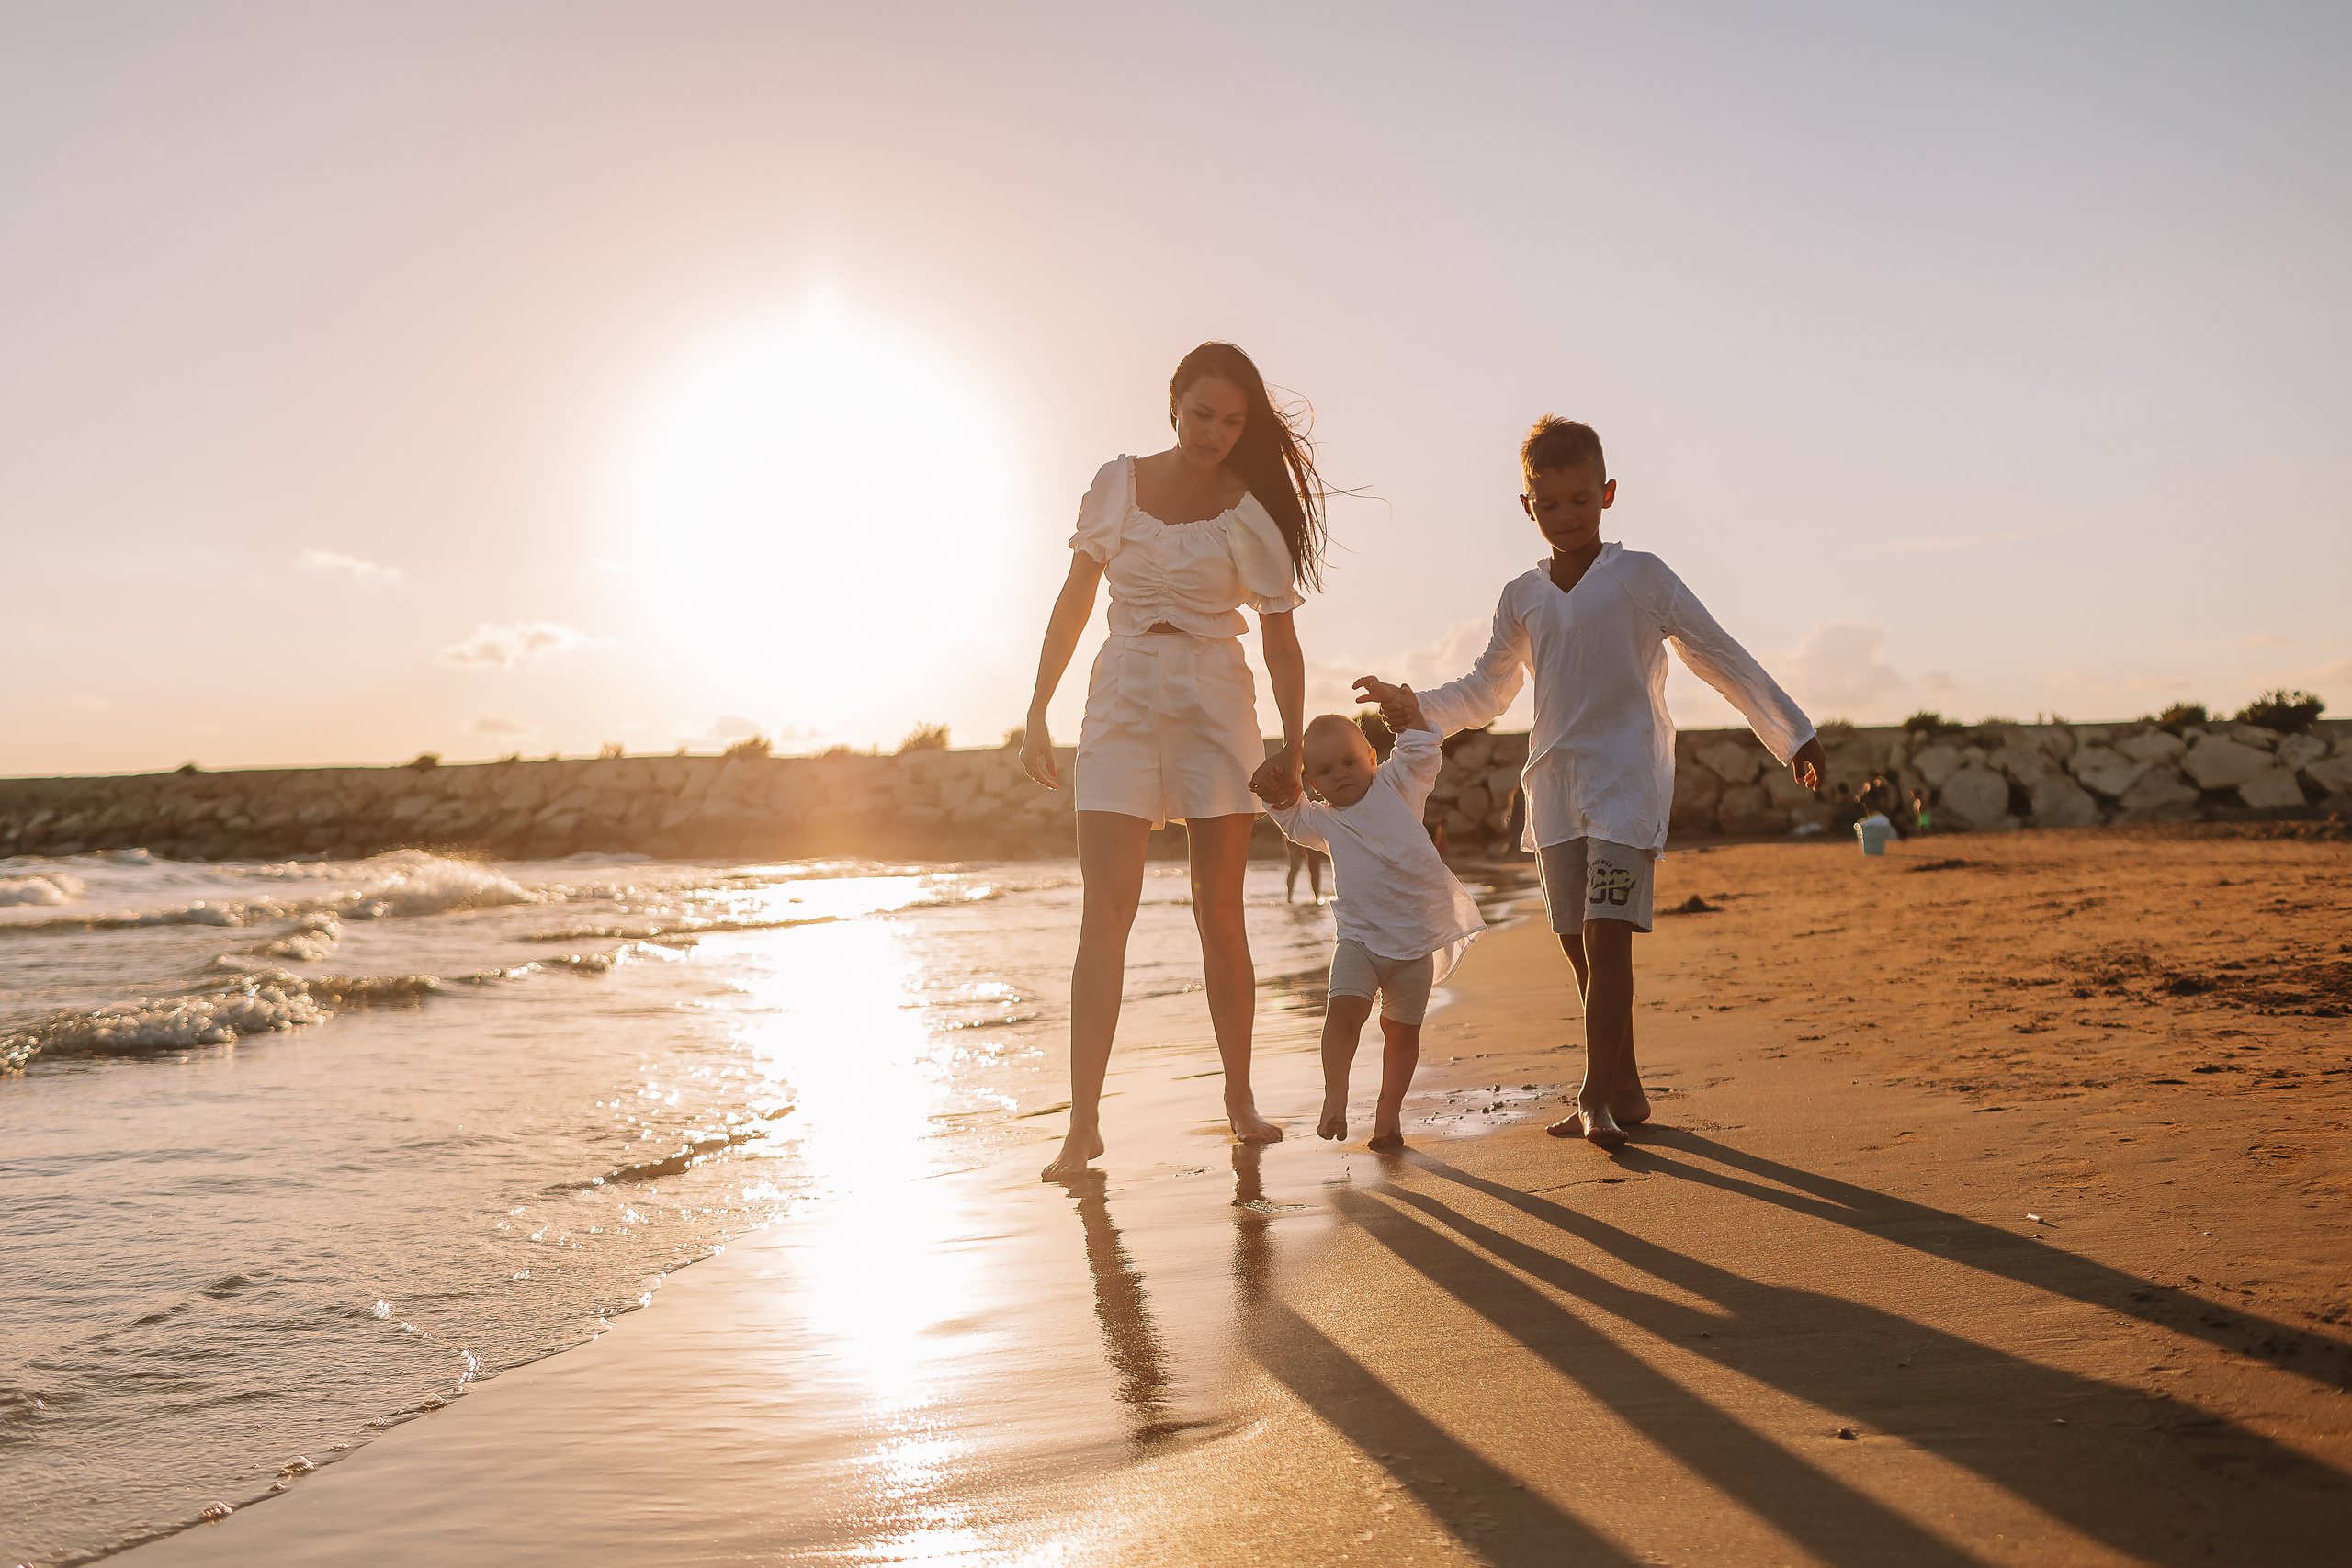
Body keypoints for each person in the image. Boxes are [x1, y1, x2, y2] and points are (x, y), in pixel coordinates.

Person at [1356, 416, 1825, 1153]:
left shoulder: (1642, 577)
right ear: (1527, 507)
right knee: (1580, 949)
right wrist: (1418, 707)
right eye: (1549, 504)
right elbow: (1487, 689)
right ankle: (1625, 1086)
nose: (1566, 516)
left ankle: (1593, 1097)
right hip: (1554, 791)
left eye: (1580, 499)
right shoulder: (1522, 595)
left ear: (1607, 493)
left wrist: (1791, 731)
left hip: (1626, 786)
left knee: (1608, 943)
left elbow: (1717, 651)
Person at [1020, 342, 1329, 1180]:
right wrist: (1037, 710)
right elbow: (1075, 600)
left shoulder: (1250, 511)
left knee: (1218, 910)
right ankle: (1082, 1124)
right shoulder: (1116, 483)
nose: (1214, 433)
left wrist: (1294, 746)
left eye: (1232, 421)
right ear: (1173, 403)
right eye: (1201, 414)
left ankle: (1240, 1099)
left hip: (1213, 699)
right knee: (1104, 915)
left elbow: (1280, 639)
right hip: (1120, 696)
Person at [1254, 694, 1485, 1152]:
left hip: (1414, 943)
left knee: (1402, 1032)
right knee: (1343, 1014)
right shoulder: (1323, 821)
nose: (1341, 774)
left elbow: (1420, 749)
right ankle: (1335, 1096)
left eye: (1350, 761)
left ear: (1372, 758)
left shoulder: (1398, 785)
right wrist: (1274, 785)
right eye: (1325, 770)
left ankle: (1389, 1112)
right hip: (1358, 941)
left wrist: (1407, 711)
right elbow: (1290, 815)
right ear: (1313, 783)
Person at [1283, 839, 1327, 903]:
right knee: (1297, 866)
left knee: (1312, 866)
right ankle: (1289, 899)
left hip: (1307, 836)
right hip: (1306, 835)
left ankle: (1316, 898)